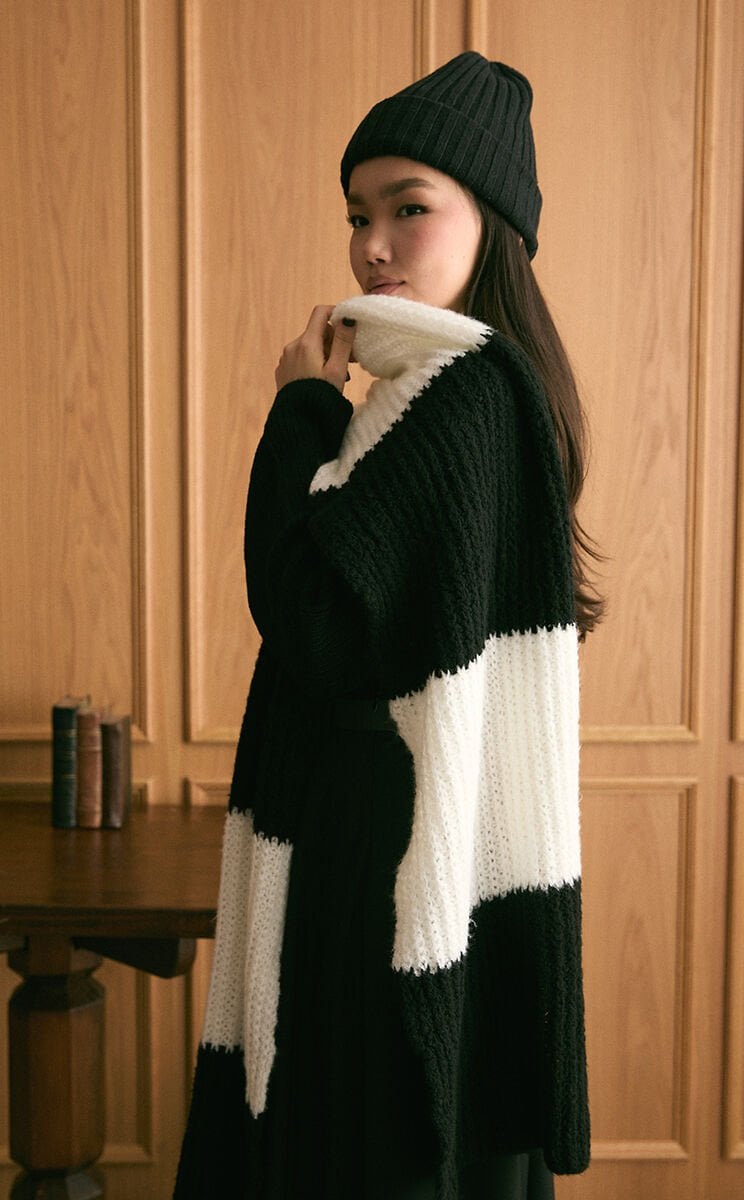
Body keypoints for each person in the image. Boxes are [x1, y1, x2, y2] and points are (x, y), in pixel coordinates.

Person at [174, 51, 602, 1200]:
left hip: (383, 847)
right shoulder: (428, 391)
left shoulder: (463, 397)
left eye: (409, 208)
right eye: (358, 215)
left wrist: (299, 408)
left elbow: (310, 618)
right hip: (380, 822)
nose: (372, 244)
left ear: (491, 225)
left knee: (365, 1145)